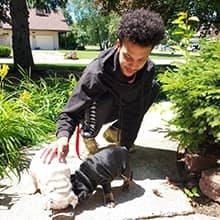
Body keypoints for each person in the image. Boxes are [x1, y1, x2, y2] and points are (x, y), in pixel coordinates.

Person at [41, 8, 165, 164]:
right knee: (104, 98)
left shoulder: (148, 70)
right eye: (128, 57)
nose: (133, 66)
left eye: (141, 59)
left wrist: (124, 148)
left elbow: (135, 112)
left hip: (123, 104)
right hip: (99, 108)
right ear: (118, 45)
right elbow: (71, 112)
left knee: (153, 87)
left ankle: (115, 132)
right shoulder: (97, 72)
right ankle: (89, 134)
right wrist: (63, 138)